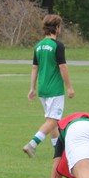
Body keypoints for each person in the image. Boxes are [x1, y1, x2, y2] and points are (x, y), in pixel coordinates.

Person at [22, 14, 75, 158]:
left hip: (43, 89)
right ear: (57, 28)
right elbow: (63, 67)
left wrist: (32, 88)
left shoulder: (38, 46)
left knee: (52, 122)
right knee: (54, 120)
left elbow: (34, 68)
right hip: (55, 89)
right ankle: (32, 144)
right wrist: (69, 87)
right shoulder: (58, 46)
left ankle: (58, 153)